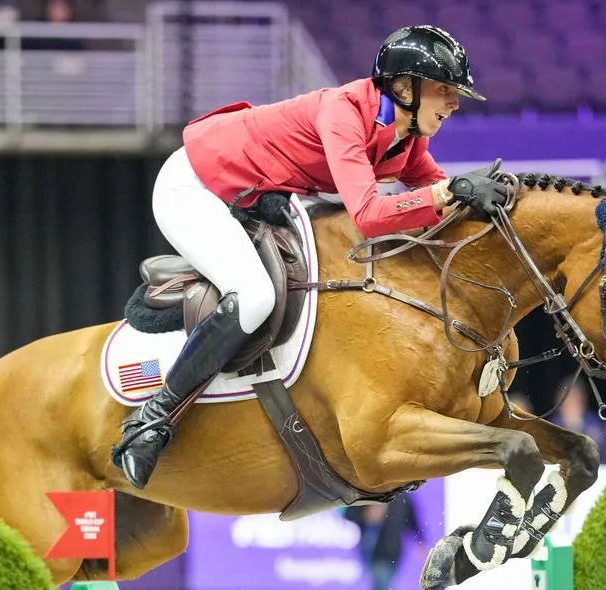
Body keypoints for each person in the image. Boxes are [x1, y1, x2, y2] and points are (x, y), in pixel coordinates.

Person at [110, 25, 506, 489]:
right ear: (404, 87)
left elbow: (438, 197)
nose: (454, 103)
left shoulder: (407, 137)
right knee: (254, 296)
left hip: (246, 192)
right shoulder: (344, 112)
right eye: (444, 90)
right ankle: (151, 420)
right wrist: (444, 192)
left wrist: (474, 200)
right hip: (194, 186)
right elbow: (370, 215)